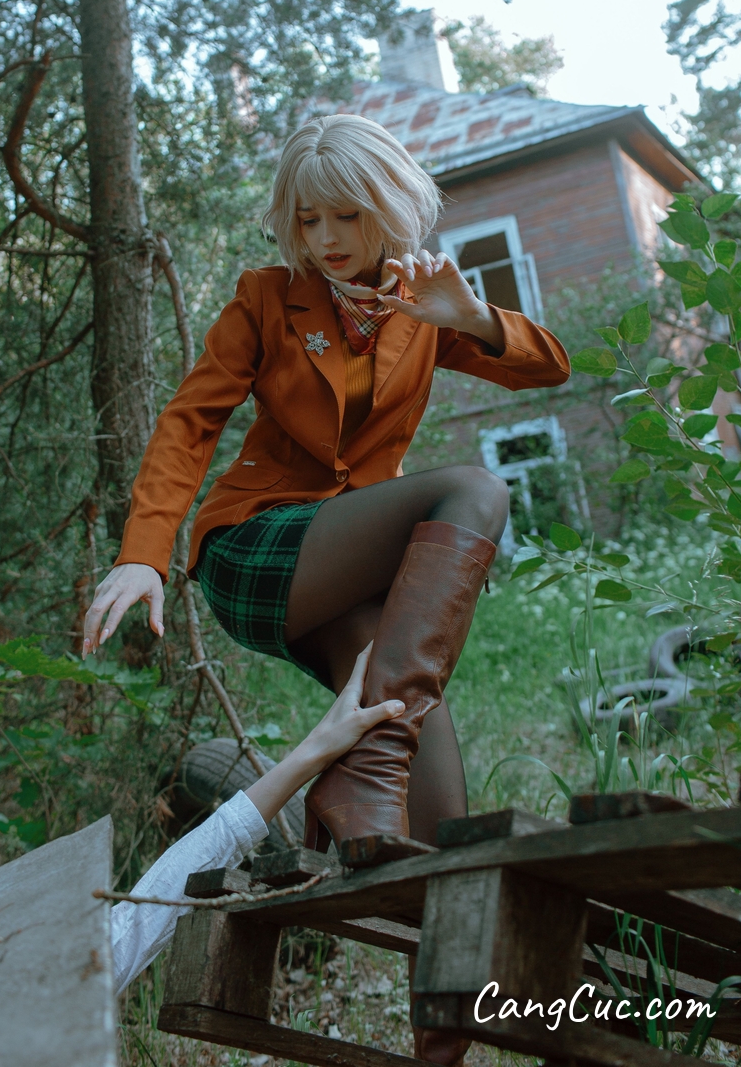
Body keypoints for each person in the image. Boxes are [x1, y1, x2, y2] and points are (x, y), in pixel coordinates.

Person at [84, 113, 570, 1063]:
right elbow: (189, 423)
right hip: (258, 547)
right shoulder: (267, 300)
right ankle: (364, 777)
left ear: (388, 207)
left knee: (444, 827)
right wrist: (144, 550)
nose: (327, 238)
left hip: (349, 581)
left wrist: (469, 318)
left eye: (346, 215)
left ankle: (441, 1039)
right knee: (474, 490)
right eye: (308, 219)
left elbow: (548, 366)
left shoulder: (422, 306)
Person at [112, 646, 403, 995]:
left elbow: (131, 927)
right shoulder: (77, 984)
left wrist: (314, 751)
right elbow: (132, 930)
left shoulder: (79, 968)